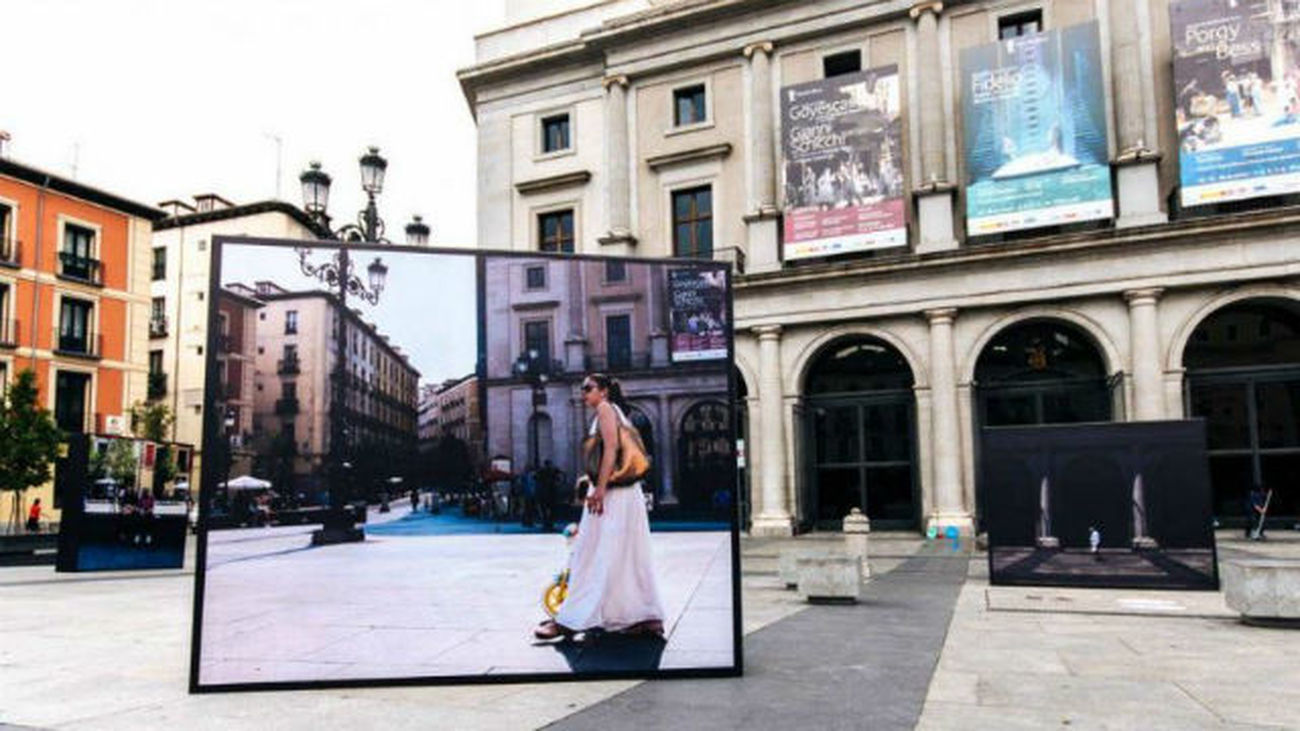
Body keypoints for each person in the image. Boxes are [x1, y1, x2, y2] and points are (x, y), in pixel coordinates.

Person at [534, 373, 665, 640]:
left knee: (590, 552)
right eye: (583, 389)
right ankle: (642, 616)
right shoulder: (615, 411)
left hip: (613, 492)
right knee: (625, 555)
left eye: (589, 388)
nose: (584, 393)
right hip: (625, 492)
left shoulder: (605, 409)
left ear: (603, 391)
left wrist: (601, 488)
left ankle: (571, 619)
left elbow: (610, 450)